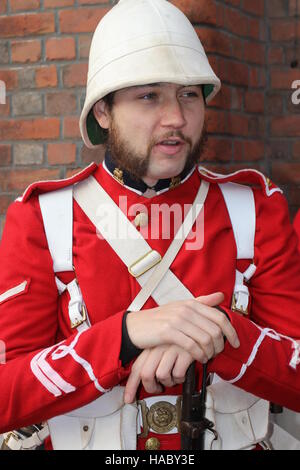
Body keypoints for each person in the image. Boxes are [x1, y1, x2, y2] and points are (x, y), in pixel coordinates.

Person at [0, 0, 300, 451]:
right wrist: (125, 335)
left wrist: (216, 335)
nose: (176, 118)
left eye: (189, 94)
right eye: (148, 96)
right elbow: (7, 394)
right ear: (102, 112)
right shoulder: (42, 217)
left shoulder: (257, 208)